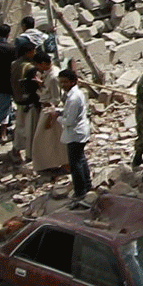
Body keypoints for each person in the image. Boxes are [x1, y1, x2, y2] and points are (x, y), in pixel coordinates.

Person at [59, 64, 93, 199]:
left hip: (76, 133)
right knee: (81, 160)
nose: (62, 85)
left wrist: (57, 117)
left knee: (75, 164)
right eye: (61, 82)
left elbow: (69, 121)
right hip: (79, 131)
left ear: (73, 82)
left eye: (65, 82)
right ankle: (87, 185)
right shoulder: (73, 94)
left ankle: (80, 192)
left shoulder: (73, 98)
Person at [11, 47, 44, 166]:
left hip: (19, 100)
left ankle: (15, 151)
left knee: (19, 127)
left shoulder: (15, 64)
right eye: (32, 50)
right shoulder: (30, 68)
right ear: (28, 52)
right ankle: (30, 156)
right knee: (30, 130)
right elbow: (34, 87)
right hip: (30, 103)